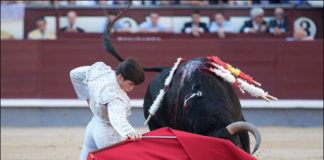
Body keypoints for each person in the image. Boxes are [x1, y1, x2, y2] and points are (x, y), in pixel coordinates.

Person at [70, 58, 145, 160]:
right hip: (107, 133)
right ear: (120, 77)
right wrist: (131, 132)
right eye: (130, 84)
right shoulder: (116, 95)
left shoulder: (102, 73)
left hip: (92, 126)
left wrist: (88, 98)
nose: (131, 88)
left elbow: (74, 74)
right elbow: (117, 119)